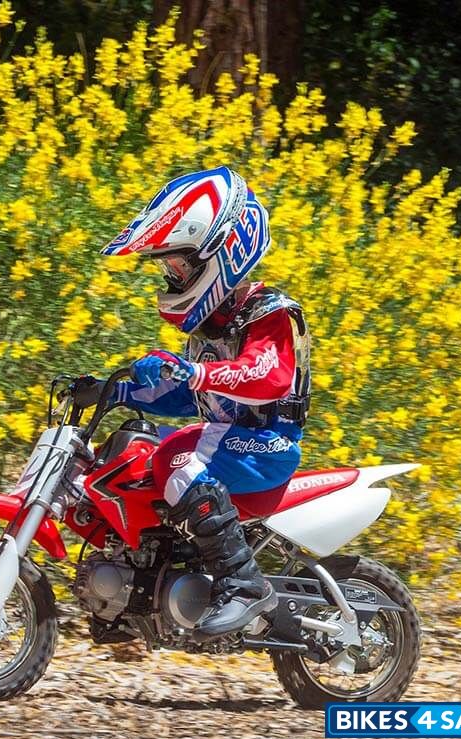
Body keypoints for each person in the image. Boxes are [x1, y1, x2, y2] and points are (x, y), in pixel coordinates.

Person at [76, 166, 311, 640]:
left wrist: (195, 371)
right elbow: (191, 397)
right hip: (227, 442)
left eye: (178, 267)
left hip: (266, 446)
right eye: (168, 268)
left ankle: (243, 583)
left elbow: (267, 376)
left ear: (222, 253)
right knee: (130, 454)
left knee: (176, 458)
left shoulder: (270, 313)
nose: (171, 276)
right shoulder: (211, 326)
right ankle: (137, 591)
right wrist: (114, 391)